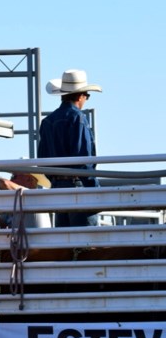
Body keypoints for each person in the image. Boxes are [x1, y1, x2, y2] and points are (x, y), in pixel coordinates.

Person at [37, 69, 103, 227]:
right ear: (81, 96)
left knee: (64, 241)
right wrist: (95, 188)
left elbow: (42, 160)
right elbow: (84, 159)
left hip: (57, 187)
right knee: (86, 242)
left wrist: (55, 181)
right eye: (87, 96)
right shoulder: (78, 118)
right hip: (78, 184)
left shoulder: (48, 121)